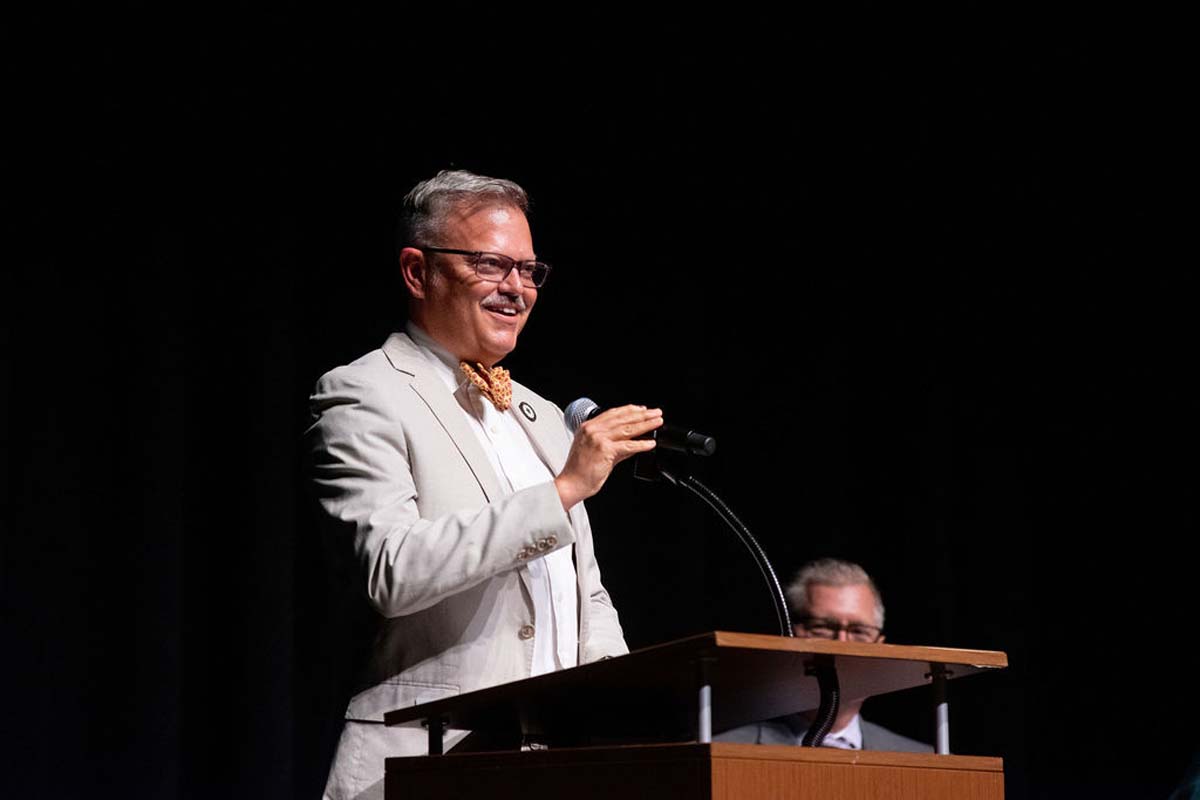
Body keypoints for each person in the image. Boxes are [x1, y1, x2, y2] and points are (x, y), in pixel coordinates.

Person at [307, 169, 664, 799]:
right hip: (430, 760)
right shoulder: (365, 392)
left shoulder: (542, 414)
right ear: (418, 272)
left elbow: (587, 593)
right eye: (491, 264)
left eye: (529, 271)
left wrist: (620, 698)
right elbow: (391, 571)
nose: (517, 289)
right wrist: (560, 493)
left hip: (559, 766)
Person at [715, 557, 932, 752]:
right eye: (823, 628)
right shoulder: (722, 752)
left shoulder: (926, 761)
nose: (842, 645)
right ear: (790, 636)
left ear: (881, 646)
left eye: (859, 631)